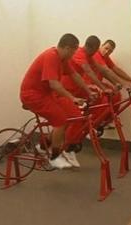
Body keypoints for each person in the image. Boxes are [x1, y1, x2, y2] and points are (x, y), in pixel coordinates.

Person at [20, 33, 85, 169]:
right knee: (60, 119)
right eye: (74, 50)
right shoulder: (51, 56)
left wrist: (89, 90)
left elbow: (75, 75)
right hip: (32, 94)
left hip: (45, 94)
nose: (74, 54)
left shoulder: (62, 60)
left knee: (71, 116)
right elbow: (54, 84)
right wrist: (72, 98)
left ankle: (43, 146)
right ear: (67, 48)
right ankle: (54, 156)